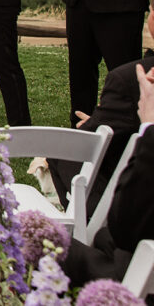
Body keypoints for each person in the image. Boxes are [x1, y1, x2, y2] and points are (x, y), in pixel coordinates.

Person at [48, 0, 154, 215]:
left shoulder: (132, 79)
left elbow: (93, 139)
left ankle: (91, 229)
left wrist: (96, 127)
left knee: (65, 151)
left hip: (136, 227)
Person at [63, 62, 154, 290]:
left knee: (39, 245)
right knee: (103, 237)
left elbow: (127, 228)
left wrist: (150, 127)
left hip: (137, 278)